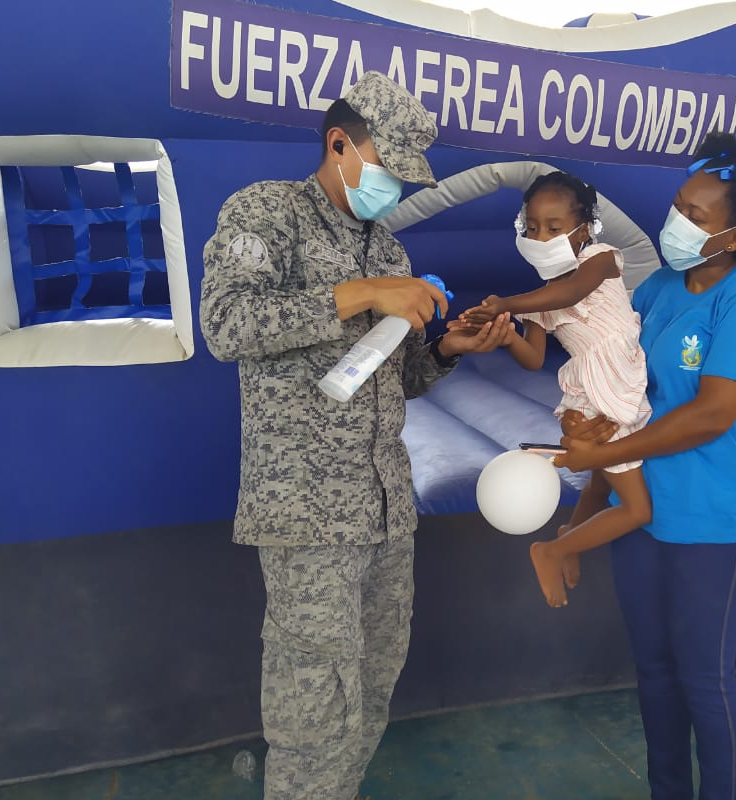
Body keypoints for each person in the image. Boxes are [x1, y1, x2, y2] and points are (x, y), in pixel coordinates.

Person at [198, 71, 511, 800]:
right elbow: (227, 325)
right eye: (389, 167)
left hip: (383, 510)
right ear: (340, 144)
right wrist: (364, 294)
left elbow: (389, 381)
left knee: (372, 682)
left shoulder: (388, 250)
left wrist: (447, 350)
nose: (395, 186)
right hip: (307, 514)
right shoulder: (268, 212)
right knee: (313, 701)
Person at [553, 128, 736, 800]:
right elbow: (621, 400)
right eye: (678, 206)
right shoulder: (659, 288)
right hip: (641, 519)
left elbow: (711, 414)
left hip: (720, 526)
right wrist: (582, 515)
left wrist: (604, 452)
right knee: (656, 674)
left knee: (702, 679)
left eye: (696, 217)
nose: (677, 222)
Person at [457, 171, 652, 608]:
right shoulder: (542, 297)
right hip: (601, 394)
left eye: (553, 228)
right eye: (531, 228)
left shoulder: (601, 259)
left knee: (602, 484)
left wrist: (507, 303)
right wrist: (508, 335)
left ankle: (569, 536)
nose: (539, 237)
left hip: (617, 383)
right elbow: (533, 359)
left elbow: (574, 291)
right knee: (638, 509)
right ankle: (553, 551)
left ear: (584, 229)